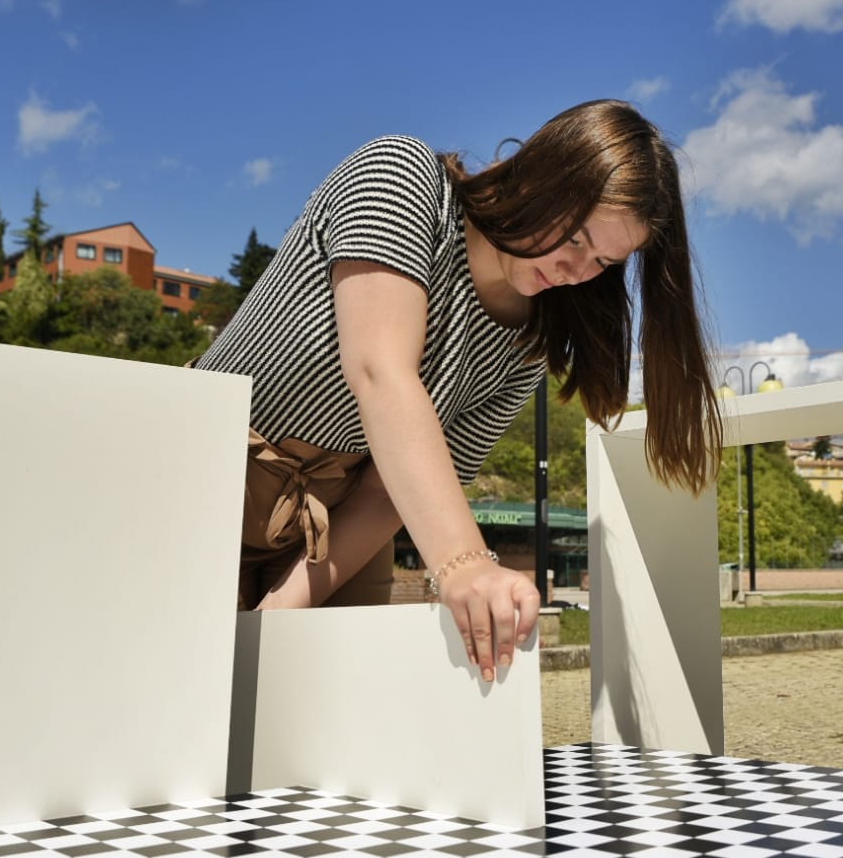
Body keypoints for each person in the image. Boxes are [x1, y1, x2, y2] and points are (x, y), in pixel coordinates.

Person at [195, 99, 721, 682]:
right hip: (207, 472)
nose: (577, 270)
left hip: (340, 515)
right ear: (540, 176)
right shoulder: (401, 176)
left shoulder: (531, 340)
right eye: (574, 237)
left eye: (603, 261)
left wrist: (276, 614)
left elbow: (385, 492)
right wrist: (464, 562)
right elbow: (379, 371)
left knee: (312, 721)